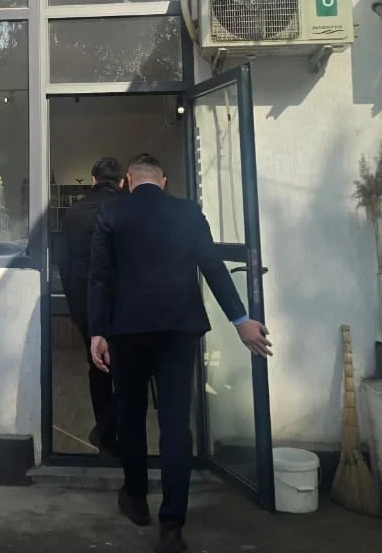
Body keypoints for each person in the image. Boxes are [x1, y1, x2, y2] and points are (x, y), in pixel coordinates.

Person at [89, 154, 273, 553]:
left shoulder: (112, 212)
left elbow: (100, 276)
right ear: (164, 181)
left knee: (131, 415)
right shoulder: (189, 212)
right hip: (179, 329)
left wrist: (97, 331)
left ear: (128, 181)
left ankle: (136, 498)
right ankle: (172, 524)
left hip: (128, 330)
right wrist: (241, 319)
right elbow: (213, 266)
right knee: (175, 424)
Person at [57, 156, 126, 453]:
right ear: (122, 181)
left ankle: (106, 437)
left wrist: (74, 305)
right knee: (128, 368)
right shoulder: (127, 208)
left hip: (85, 302)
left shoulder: (73, 212)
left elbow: (64, 262)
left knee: (97, 366)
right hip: (123, 302)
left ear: (93, 180)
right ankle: (112, 429)